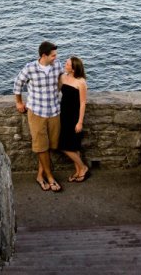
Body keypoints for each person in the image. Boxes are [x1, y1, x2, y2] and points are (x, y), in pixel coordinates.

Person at [14, 41, 64, 192]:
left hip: (54, 111)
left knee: (50, 145)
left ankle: (39, 175)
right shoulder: (30, 68)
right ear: (44, 55)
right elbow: (18, 84)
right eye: (53, 55)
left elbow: (63, 81)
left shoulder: (57, 66)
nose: (56, 58)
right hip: (37, 112)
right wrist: (19, 102)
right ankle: (49, 176)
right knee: (41, 146)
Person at [58, 56, 90, 182]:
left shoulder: (81, 82)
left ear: (73, 68)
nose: (65, 64)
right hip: (63, 115)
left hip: (74, 117)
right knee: (73, 147)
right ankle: (78, 171)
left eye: (67, 63)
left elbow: (82, 103)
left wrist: (80, 122)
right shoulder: (62, 77)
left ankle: (83, 168)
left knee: (65, 146)